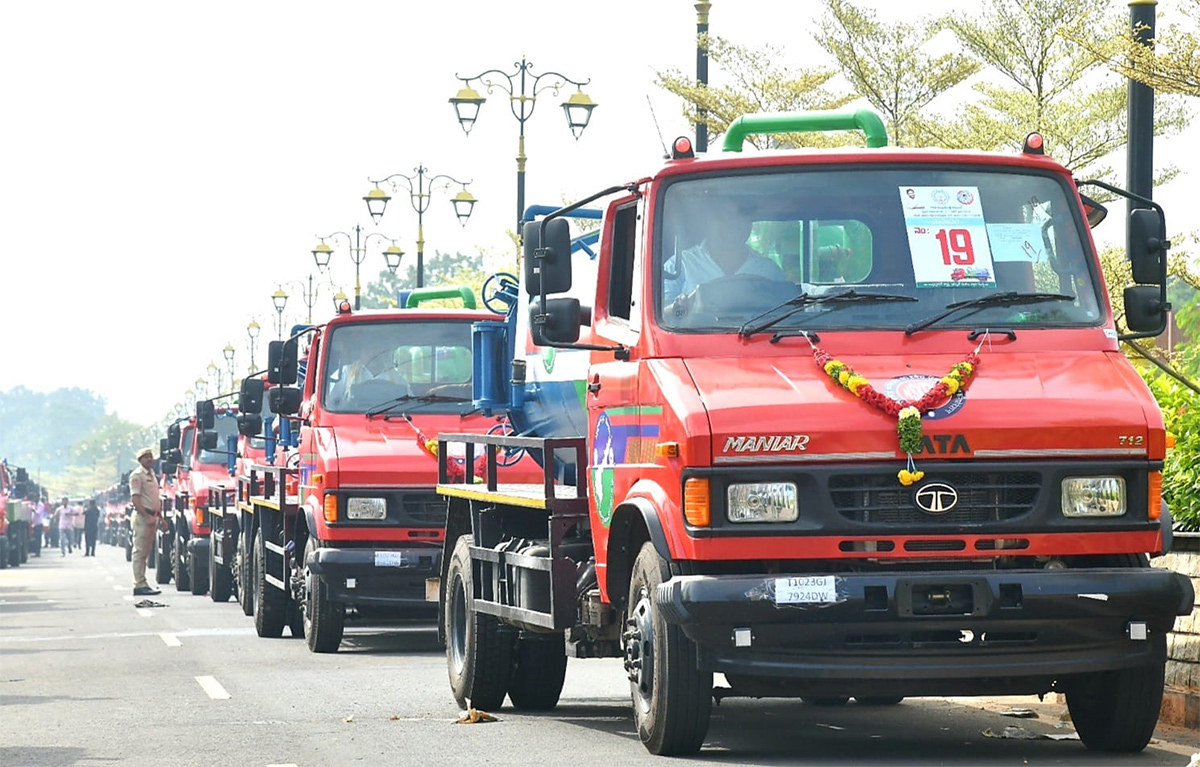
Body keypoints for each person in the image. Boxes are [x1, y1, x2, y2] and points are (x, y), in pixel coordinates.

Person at [662, 197, 788, 303]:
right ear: (707, 221)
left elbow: (788, 315)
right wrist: (687, 305)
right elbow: (660, 317)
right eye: (723, 216)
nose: (732, 223)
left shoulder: (770, 271)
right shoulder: (679, 266)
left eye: (740, 215)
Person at [129, 447, 163, 596]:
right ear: (140, 460)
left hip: (152, 517)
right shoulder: (137, 476)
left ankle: (143, 582)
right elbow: (136, 498)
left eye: (151, 456)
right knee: (139, 551)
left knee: (146, 552)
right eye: (146, 457)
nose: (150, 459)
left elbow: (154, 499)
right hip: (143, 518)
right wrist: (146, 515)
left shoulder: (152, 475)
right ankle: (139, 584)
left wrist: (159, 517)